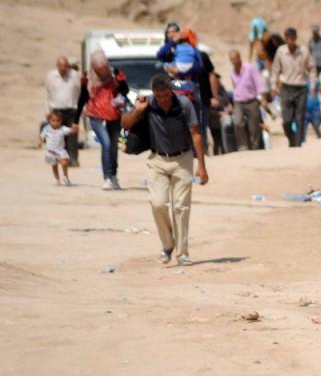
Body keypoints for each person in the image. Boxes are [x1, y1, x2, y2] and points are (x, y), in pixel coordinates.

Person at [121, 74, 208, 266]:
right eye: (159, 96)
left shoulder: (184, 104)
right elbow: (125, 124)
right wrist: (139, 110)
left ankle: (182, 253)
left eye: (166, 95)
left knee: (181, 207)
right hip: (157, 160)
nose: (163, 100)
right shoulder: (148, 104)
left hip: (182, 159)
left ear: (171, 91)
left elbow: (196, 134)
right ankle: (168, 244)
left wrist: (201, 166)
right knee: (158, 203)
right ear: (154, 94)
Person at [85, 50, 127, 190]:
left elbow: (124, 90)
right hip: (95, 114)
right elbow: (82, 98)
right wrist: (74, 120)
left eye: (103, 69)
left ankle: (114, 176)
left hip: (113, 113)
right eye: (99, 70)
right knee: (106, 144)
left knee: (114, 146)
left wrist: (120, 83)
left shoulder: (115, 73)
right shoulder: (88, 78)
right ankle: (107, 177)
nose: (102, 72)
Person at [271, 27, 313, 147]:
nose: (290, 42)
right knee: (287, 121)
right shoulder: (280, 51)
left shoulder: (304, 51)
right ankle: (292, 140)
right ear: (285, 39)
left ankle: (298, 145)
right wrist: (274, 86)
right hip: (286, 88)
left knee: (300, 118)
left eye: (292, 39)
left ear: (296, 39)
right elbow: (275, 70)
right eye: (288, 39)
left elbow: (312, 68)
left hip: (301, 88)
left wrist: (313, 84)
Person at [44, 56, 81, 166]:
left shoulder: (74, 76)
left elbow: (79, 92)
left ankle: (73, 159)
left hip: (71, 110)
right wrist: (47, 110)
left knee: (72, 135)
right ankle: (58, 158)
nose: (63, 68)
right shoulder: (51, 76)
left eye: (65, 66)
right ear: (57, 66)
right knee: (58, 136)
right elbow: (47, 94)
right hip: (56, 110)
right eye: (60, 66)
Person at [229, 50, 266, 150]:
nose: (233, 61)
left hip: (251, 101)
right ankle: (243, 147)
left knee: (254, 127)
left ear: (239, 57)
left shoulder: (250, 68)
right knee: (237, 123)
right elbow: (235, 87)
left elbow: (259, 83)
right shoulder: (232, 72)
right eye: (231, 59)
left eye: (235, 58)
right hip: (238, 101)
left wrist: (263, 98)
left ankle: (255, 147)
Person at [39, 111, 79, 185]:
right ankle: (57, 179)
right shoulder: (47, 128)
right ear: (49, 121)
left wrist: (74, 129)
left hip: (61, 151)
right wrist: (41, 141)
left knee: (64, 163)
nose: (55, 123)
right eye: (53, 121)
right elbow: (42, 135)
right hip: (51, 151)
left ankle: (65, 177)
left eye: (58, 121)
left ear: (61, 121)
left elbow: (70, 130)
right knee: (54, 166)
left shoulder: (62, 129)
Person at [207, 71, 228, 155]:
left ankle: (223, 152)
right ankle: (217, 153)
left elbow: (227, 100)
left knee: (223, 139)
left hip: (222, 120)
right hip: (213, 120)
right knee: (216, 139)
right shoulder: (207, 92)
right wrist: (218, 113)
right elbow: (207, 108)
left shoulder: (222, 89)